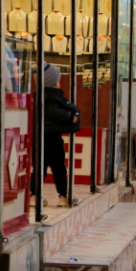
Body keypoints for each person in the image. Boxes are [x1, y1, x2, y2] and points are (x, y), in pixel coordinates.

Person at [41, 63, 80, 208]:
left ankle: (35, 194)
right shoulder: (52, 98)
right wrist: (71, 117)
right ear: (53, 82)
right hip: (52, 137)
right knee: (58, 168)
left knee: (40, 168)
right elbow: (57, 113)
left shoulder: (42, 96)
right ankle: (63, 196)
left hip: (42, 137)